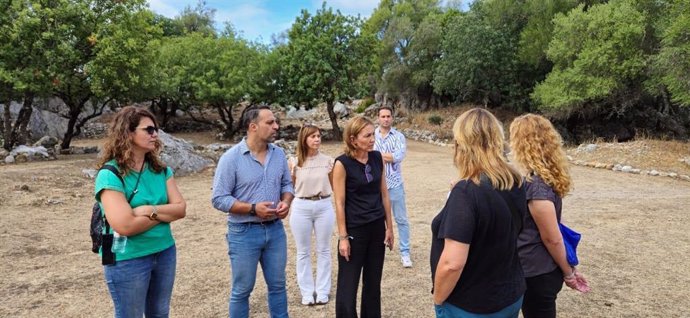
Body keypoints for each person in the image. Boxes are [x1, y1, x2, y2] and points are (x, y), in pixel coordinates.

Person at [430, 108, 526, 318]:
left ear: (462, 145)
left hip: (471, 304)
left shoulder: (467, 193)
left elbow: (452, 264)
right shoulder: (515, 182)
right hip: (509, 294)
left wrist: (438, 298)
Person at [95, 106, 187, 318]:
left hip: (164, 251)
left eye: (156, 129)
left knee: (159, 313)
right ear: (128, 132)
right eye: (149, 129)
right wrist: (165, 214)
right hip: (127, 258)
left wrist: (148, 211)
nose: (155, 134)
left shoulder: (161, 170)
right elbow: (125, 225)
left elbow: (181, 209)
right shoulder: (110, 174)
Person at [211, 105, 294, 318]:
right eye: (270, 122)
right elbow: (219, 198)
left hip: (275, 230)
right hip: (243, 233)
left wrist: (286, 201)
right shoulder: (231, 158)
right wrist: (252, 208)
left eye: (276, 122)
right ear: (253, 126)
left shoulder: (279, 154)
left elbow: (287, 185)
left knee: (278, 286)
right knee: (242, 290)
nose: (276, 126)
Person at [509, 114, 590, 318]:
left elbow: (552, 238)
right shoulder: (540, 181)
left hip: (536, 272)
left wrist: (569, 273)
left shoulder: (536, 186)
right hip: (537, 269)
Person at [333, 116, 394, 318]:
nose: (372, 139)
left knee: (373, 283)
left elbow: (384, 194)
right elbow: (339, 202)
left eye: (372, 134)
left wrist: (389, 227)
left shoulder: (377, 158)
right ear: (353, 139)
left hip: (376, 227)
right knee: (348, 286)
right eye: (367, 135)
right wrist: (343, 237)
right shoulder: (342, 164)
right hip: (355, 231)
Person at [288, 124, 335, 306]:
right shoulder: (294, 162)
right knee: (303, 251)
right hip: (301, 206)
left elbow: (334, 185)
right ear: (304, 139)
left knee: (324, 250)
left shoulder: (329, 161)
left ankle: (323, 291)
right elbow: (290, 187)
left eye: (318, 136)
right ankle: (307, 292)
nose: (317, 139)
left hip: (323, 205)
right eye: (313, 136)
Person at [374, 106, 412, 268]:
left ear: (392, 118)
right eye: (383, 116)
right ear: (378, 118)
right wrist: (386, 156)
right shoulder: (371, 135)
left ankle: (405, 252)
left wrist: (376, 156)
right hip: (375, 185)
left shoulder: (398, 137)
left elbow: (398, 156)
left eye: (388, 116)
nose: (386, 119)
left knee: (401, 219)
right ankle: (376, 250)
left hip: (394, 183)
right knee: (376, 219)